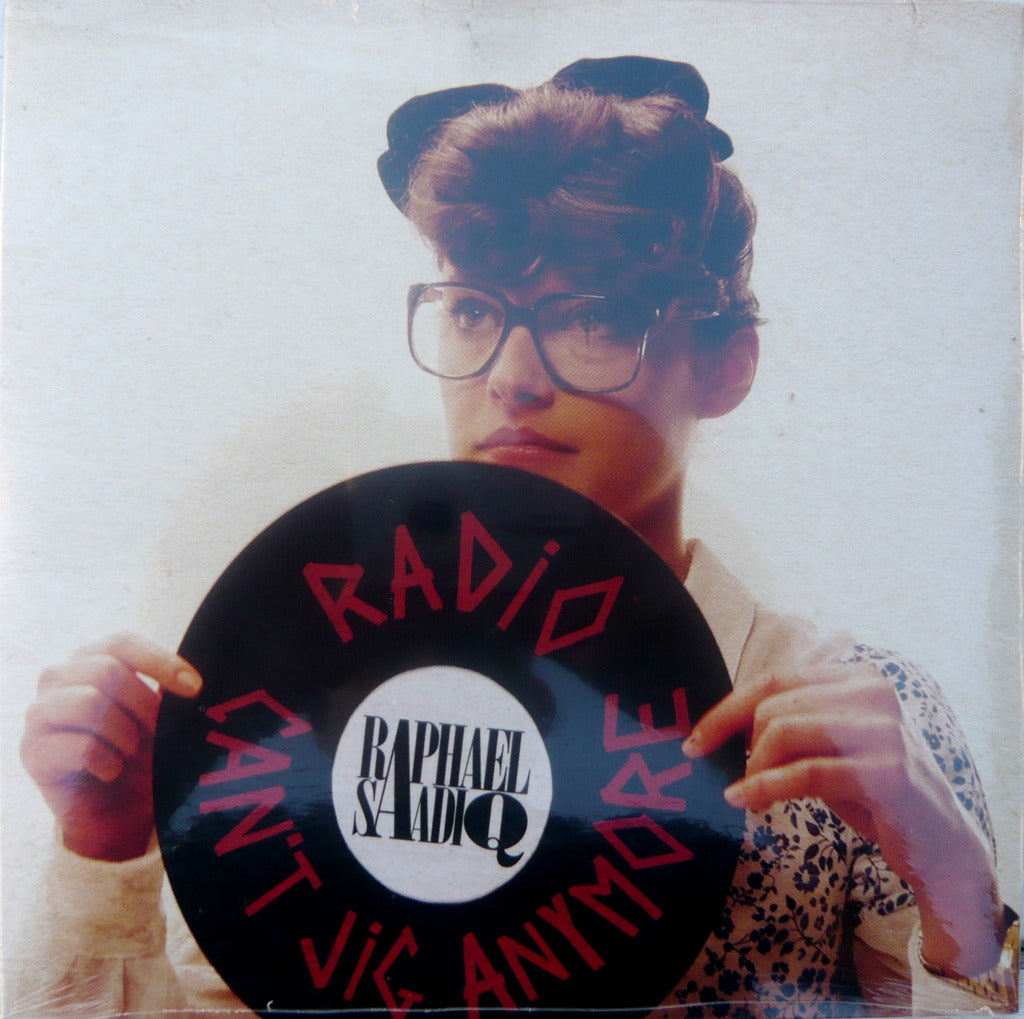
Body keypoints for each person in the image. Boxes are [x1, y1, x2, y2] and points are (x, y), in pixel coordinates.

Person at [13, 57, 1018, 1018]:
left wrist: (955, 885)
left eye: (592, 317)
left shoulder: (856, 714)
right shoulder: (274, 696)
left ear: (727, 362)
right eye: (470, 311)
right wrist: (102, 853)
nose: (511, 378)